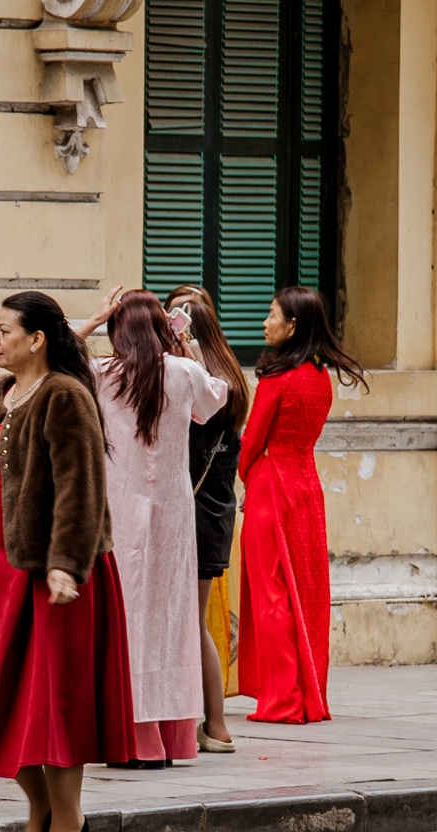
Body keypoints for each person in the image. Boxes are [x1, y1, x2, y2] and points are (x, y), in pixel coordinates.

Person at [0, 290, 136, 832]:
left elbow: (81, 488)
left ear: (36, 339)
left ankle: (69, 819)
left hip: (54, 572)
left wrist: (65, 563)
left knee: (51, 701)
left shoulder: (65, 395)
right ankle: (37, 812)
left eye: (5, 330)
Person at [77, 289, 227, 766]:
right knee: (168, 621)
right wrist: (184, 346)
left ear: (117, 331)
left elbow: (54, 357)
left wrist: (91, 319)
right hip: (172, 515)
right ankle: (166, 738)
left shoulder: (102, 375)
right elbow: (215, 400)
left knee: (124, 621)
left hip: (118, 511)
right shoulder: (183, 374)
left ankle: (129, 736)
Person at [238, 287, 366, 724]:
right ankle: (306, 695)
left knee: (272, 593)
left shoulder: (277, 378)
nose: (264, 322)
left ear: (292, 326)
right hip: (307, 487)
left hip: (271, 485)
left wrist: (246, 476)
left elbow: (252, 440)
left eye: (272, 315)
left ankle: (281, 699)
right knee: (303, 592)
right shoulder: (318, 378)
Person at [165, 285, 250, 753]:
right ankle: (211, 723)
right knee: (192, 621)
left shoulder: (198, 380)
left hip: (193, 512)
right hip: (216, 510)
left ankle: (215, 725)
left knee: (189, 622)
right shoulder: (230, 375)